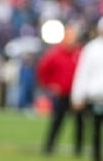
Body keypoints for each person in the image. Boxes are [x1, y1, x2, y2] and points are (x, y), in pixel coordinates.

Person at [37, 21, 84, 157]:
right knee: (57, 120)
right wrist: (49, 84)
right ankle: (49, 146)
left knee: (79, 122)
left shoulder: (80, 53)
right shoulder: (55, 53)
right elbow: (43, 69)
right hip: (62, 93)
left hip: (77, 94)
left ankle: (78, 149)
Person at [72, 18, 103, 161]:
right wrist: (78, 96)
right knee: (95, 130)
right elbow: (82, 73)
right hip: (95, 96)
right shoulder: (91, 48)